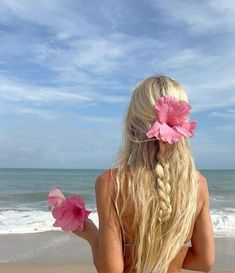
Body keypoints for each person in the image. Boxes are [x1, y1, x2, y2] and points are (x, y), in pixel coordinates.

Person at [73, 75, 215, 273]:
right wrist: (165, 254)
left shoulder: (112, 183)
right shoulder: (198, 184)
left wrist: (91, 234)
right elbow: (204, 261)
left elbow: (111, 270)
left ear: (132, 125)